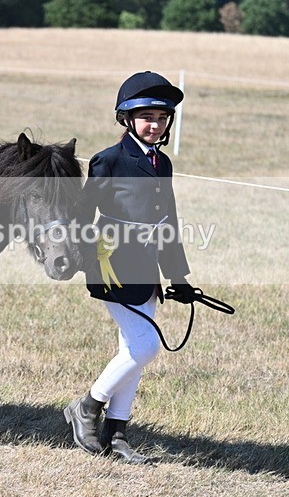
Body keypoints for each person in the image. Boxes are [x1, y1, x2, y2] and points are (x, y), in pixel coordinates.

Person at [65, 71, 195, 464]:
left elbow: (167, 220)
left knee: (132, 350)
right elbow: (83, 214)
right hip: (112, 264)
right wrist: (83, 257)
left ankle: (117, 432)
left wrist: (178, 276)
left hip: (147, 269)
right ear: (126, 118)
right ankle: (87, 405)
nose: (154, 124)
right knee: (145, 344)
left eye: (161, 117)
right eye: (146, 117)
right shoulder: (109, 160)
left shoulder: (163, 163)